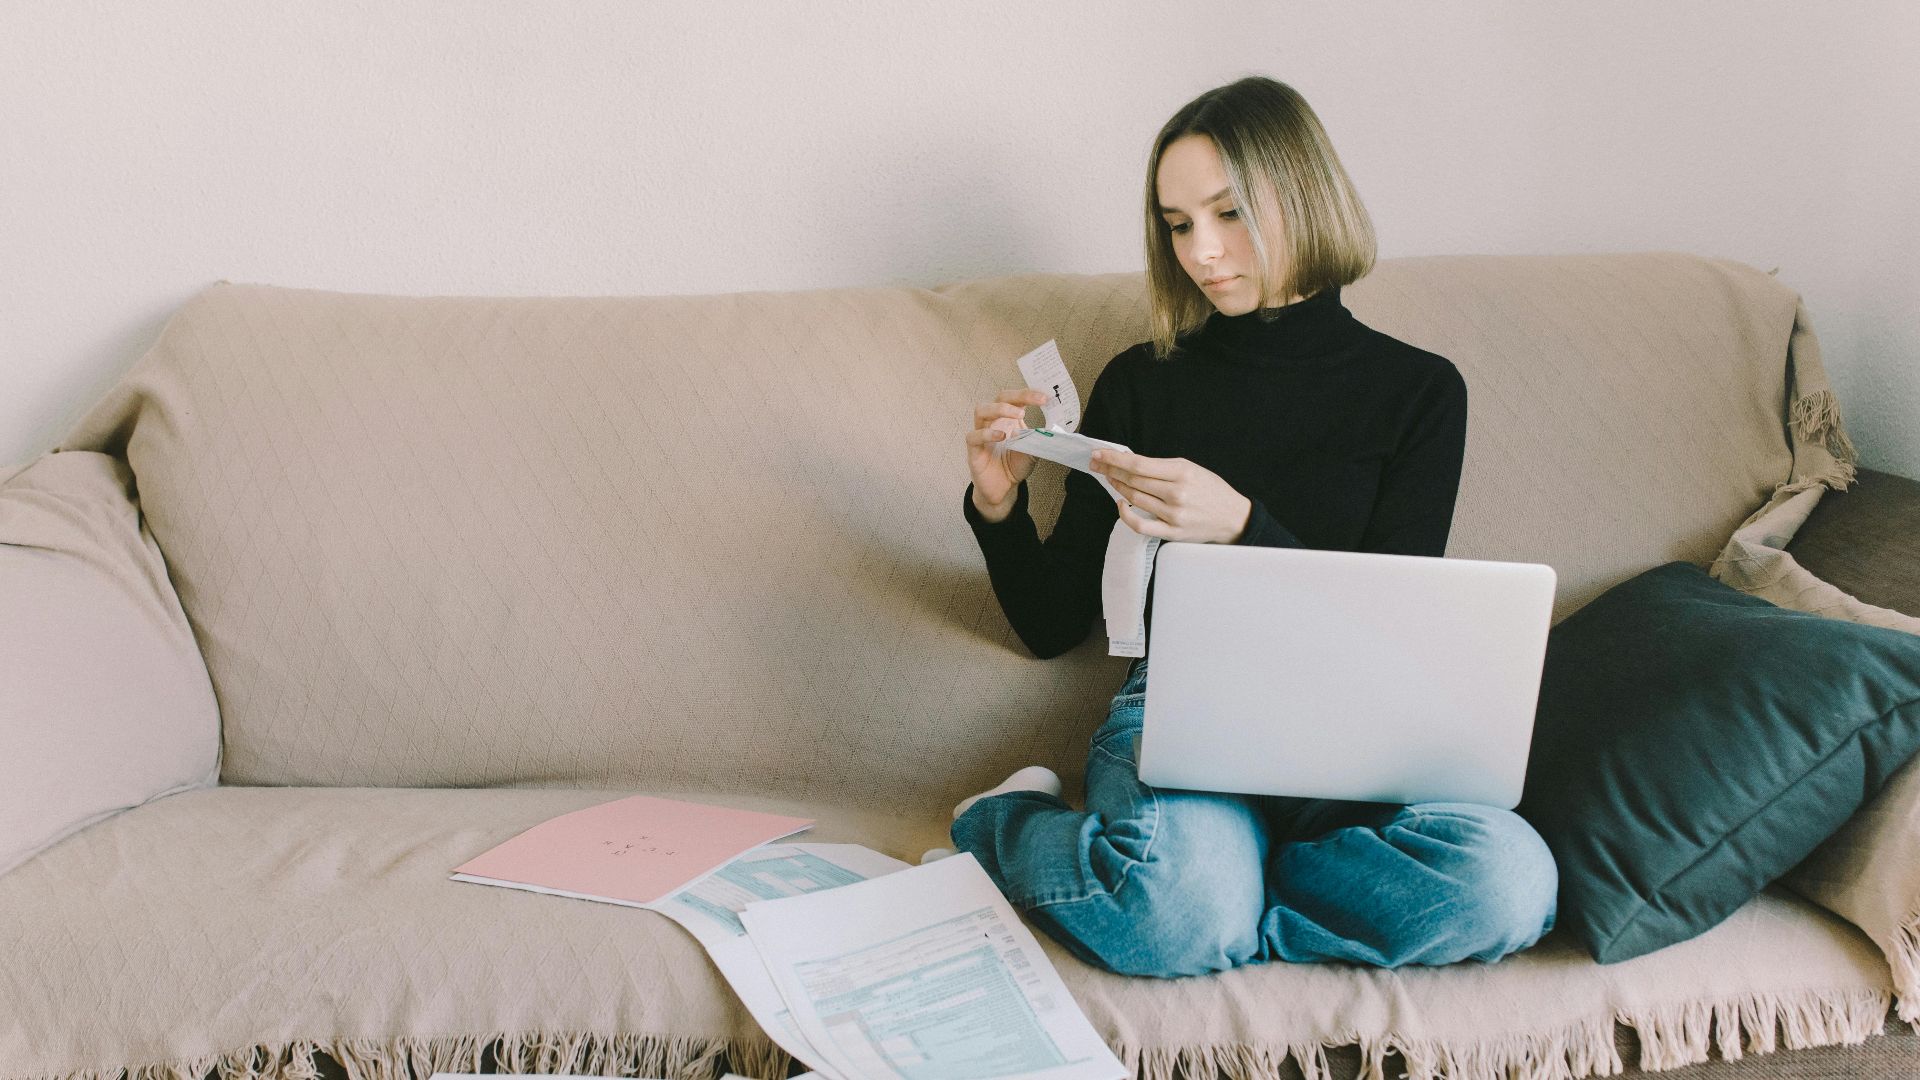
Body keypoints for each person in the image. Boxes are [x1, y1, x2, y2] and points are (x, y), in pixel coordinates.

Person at [944, 76, 1559, 979]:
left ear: (1303, 196)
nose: (1204, 252)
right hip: (1181, 708)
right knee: (1182, 909)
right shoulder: (1142, 383)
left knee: (1509, 886)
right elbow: (1049, 629)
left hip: (1353, 725)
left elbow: (1385, 628)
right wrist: (997, 506)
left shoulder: (1421, 393)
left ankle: (1223, 901)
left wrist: (1240, 526)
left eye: (1228, 214)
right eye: (1179, 224)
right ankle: (1002, 825)